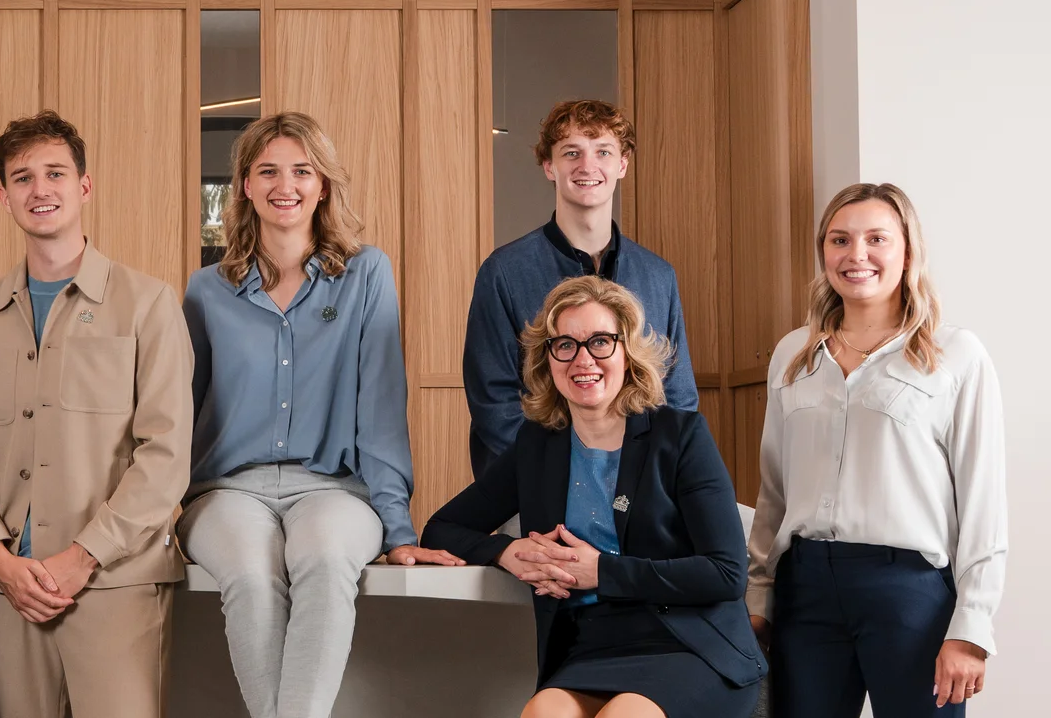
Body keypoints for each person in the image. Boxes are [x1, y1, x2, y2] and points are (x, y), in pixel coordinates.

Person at [179, 111, 462, 718]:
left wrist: (398, 530)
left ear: (324, 184)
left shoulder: (366, 274)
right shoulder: (206, 290)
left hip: (334, 489)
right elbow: (179, 414)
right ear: (245, 185)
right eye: (268, 171)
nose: (286, 185)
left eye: (302, 171)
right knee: (250, 577)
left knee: (328, 561)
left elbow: (381, 409)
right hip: (227, 492)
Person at [0, 112, 194, 718]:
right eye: (22, 177)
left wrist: (84, 557)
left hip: (116, 583)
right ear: (4, 197)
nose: (40, 189)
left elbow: (165, 457)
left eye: (55, 173)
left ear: (84, 186)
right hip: (7, 592)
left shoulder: (149, 304)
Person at [423, 275, 763, 718]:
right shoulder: (537, 444)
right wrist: (508, 552)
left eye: (600, 341)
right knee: (542, 713)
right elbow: (442, 528)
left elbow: (726, 573)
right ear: (548, 358)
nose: (583, 359)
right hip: (594, 646)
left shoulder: (680, 436)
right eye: (565, 345)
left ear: (627, 351)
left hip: (691, 642)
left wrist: (602, 571)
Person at [746, 183, 1006, 718]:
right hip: (805, 590)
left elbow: (983, 503)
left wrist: (972, 627)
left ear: (907, 251)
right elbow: (774, 492)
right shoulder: (793, 354)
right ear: (823, 252)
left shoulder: (955, 355)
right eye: (839, 239)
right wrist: (759, 598)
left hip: (909, 592)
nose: (856, 254)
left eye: (877, 239)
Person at [463, 99, 698, 478]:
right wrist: (573, 477)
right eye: (571, 152)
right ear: (549, 166)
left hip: (640, 483)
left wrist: (652, 477)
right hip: (534, 482)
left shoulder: (659, 275)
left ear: (622, 165)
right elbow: (495, 404)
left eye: (603, 152)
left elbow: (679, 398)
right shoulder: (503, 272)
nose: (587, 166)